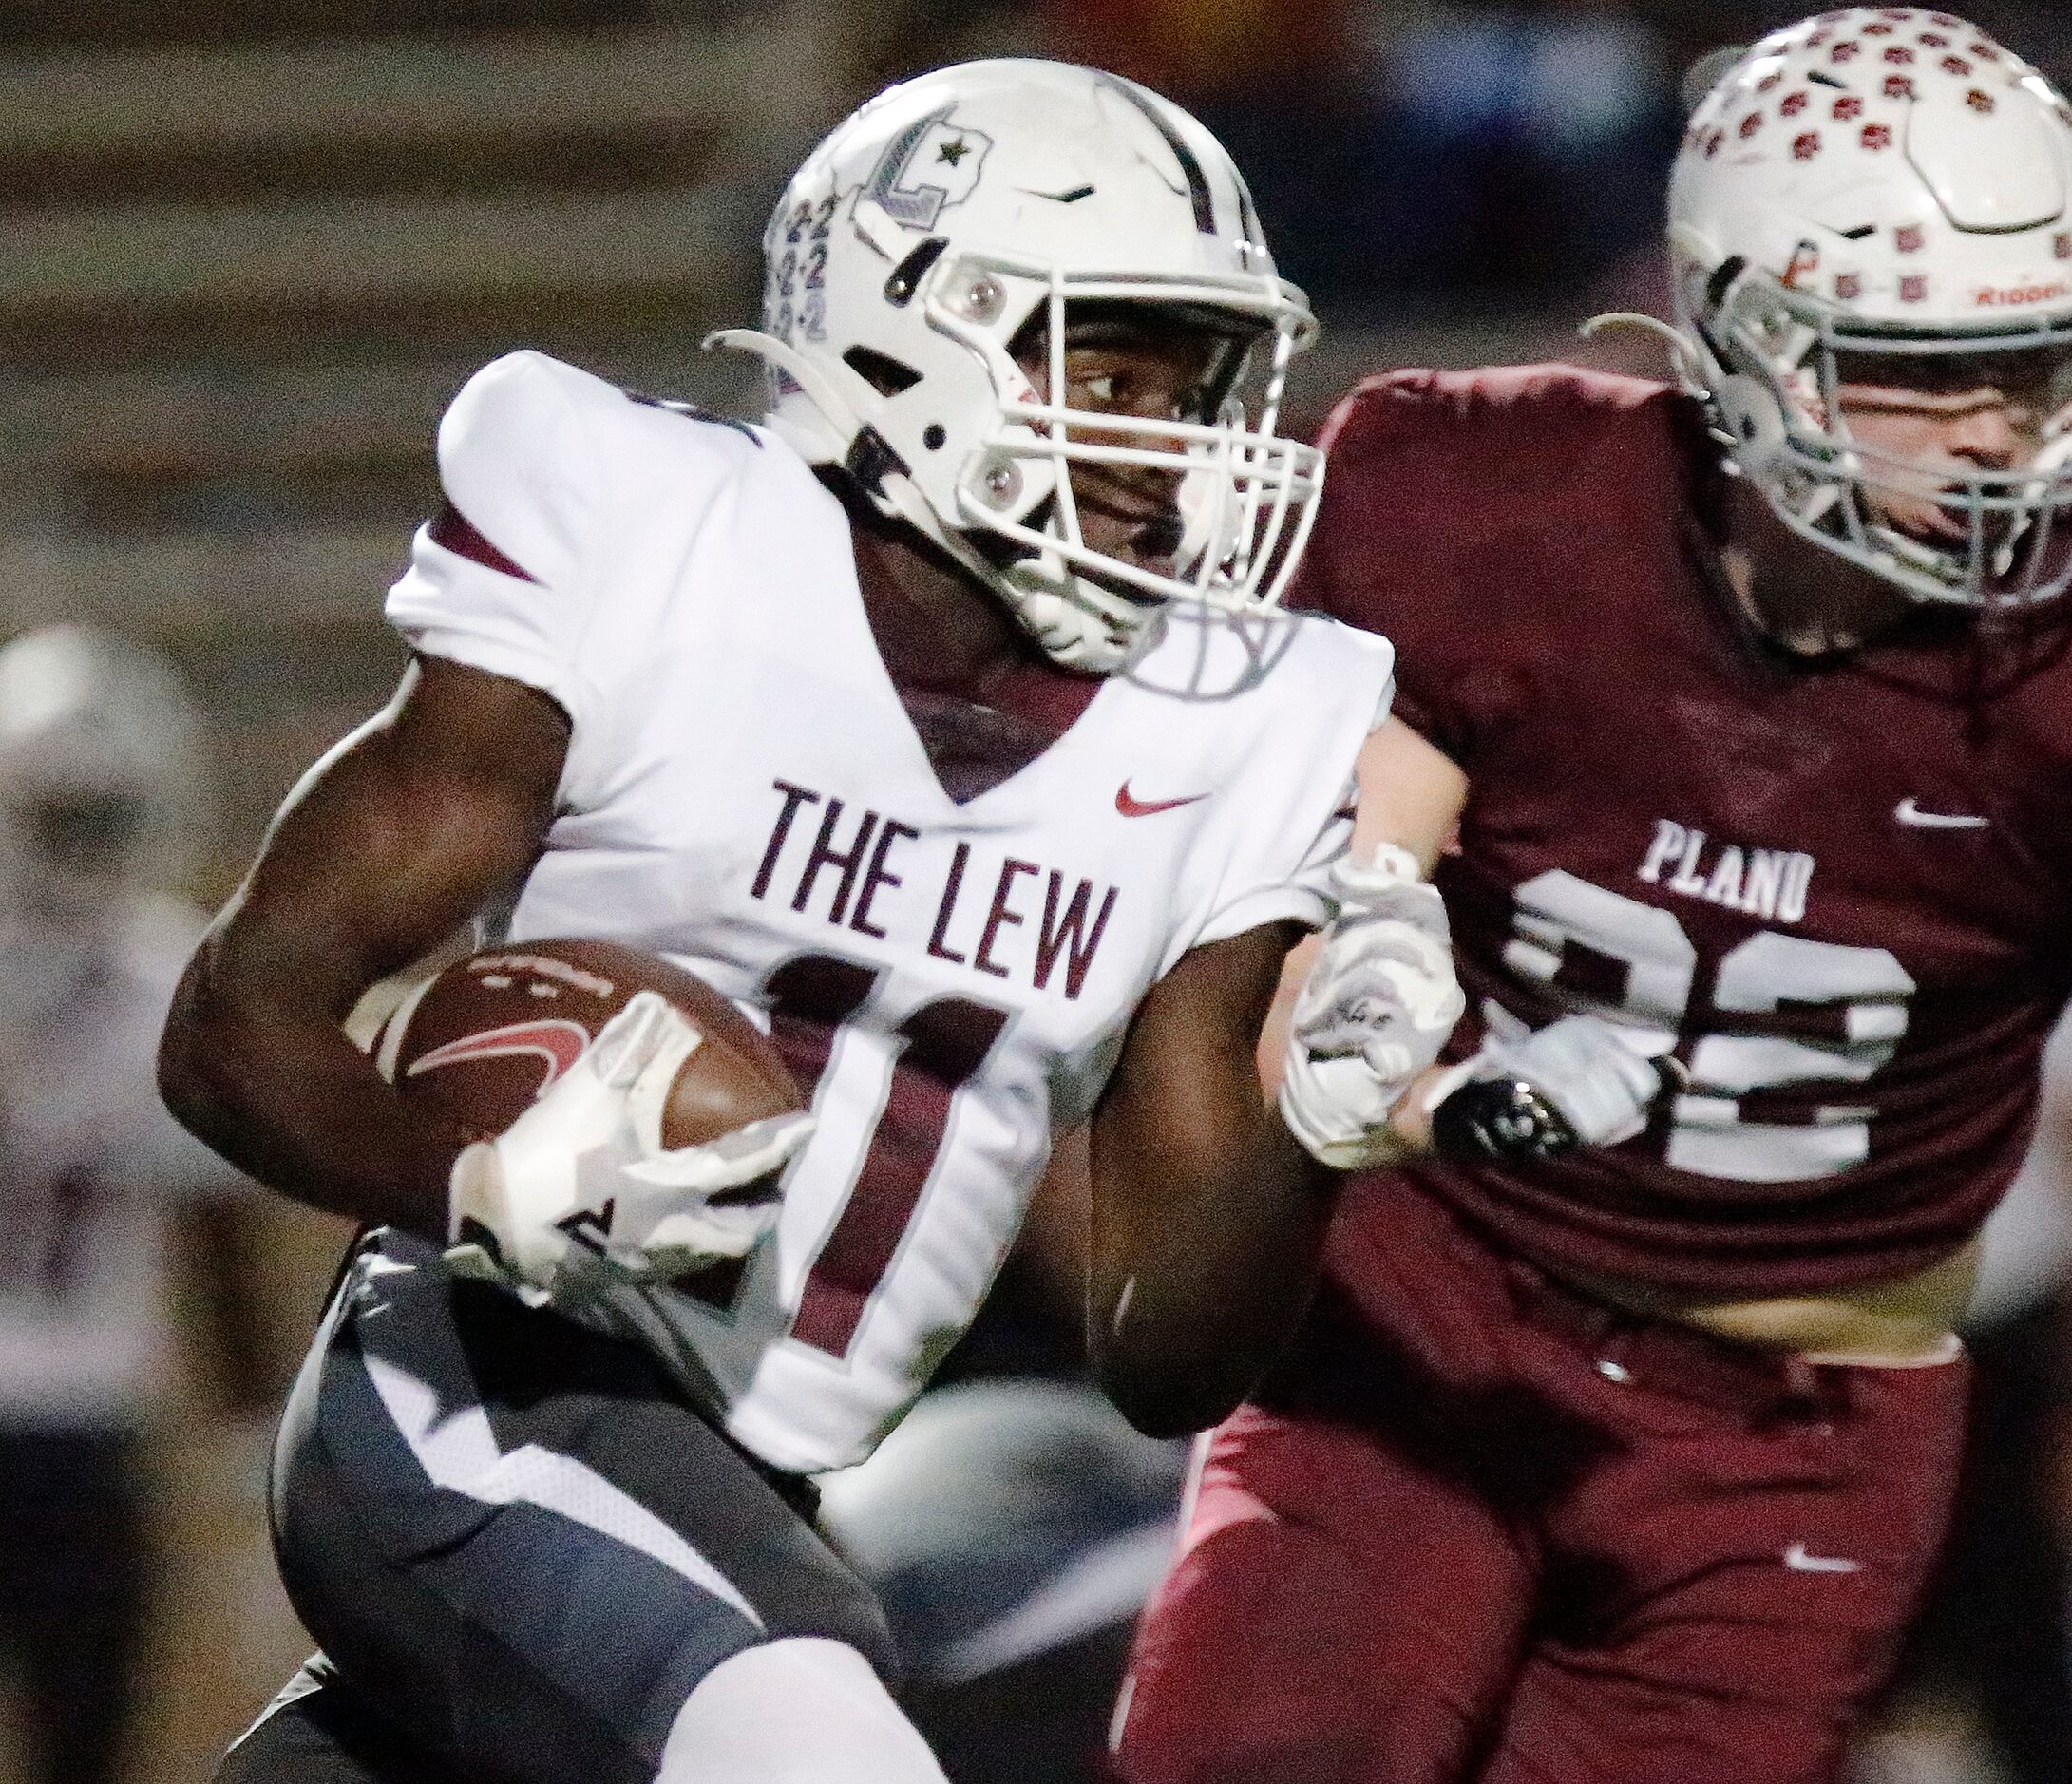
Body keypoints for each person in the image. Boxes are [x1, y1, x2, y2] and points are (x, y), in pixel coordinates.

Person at [160, 59, 1471, 1784]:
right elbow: (233, 1025)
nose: (1171, 448)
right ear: (914, 331)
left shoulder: (1231, 717)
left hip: (757, 1466)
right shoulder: (658, 540)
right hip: (475, 1367)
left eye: (1197, 385)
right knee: (815, 1744)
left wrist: (1311, 1124)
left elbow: (1166, 1351)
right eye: (1112, 370)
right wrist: (471, 1180)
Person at [1113, 11, 2072, 1783]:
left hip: (1803, 1422)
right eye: (1923, 370)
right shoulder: (1493, 504)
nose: (1999, 431)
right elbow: (1346, 876)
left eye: (2027, 367)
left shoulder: (2045, 671)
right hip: (1431, 1317)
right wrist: (1361, 962)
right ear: (1744, 340)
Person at [0, 624, 267, 1784]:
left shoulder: (167, 975)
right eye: (66, 816)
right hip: (82, 1440)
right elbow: (222, 1260)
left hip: (90, 1433)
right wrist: (256, 1451)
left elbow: (215, 1244)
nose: (80, 845)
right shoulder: (173, 980)